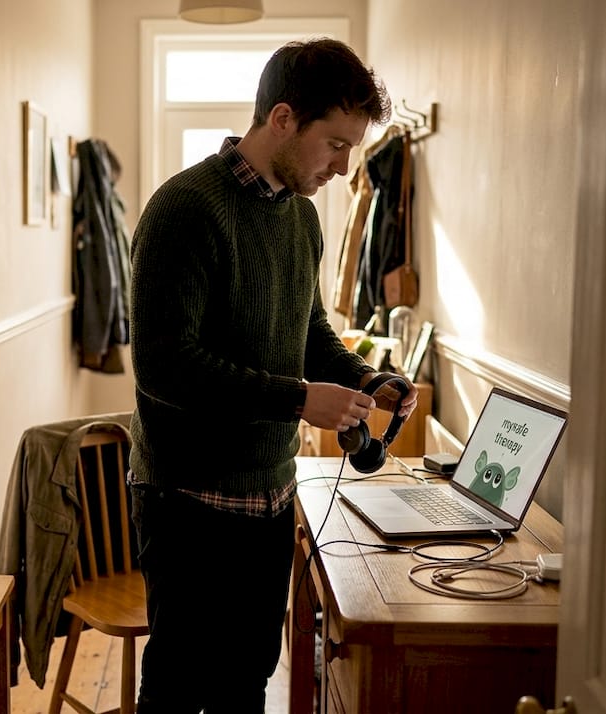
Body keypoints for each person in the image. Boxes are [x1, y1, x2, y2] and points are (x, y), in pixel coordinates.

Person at [126, 37, 418, 712]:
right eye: (336, 144)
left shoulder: (302, 219)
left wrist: (366, 379)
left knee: (249, 676)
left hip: (269, 495)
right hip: (187, 497)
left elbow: (307, 329)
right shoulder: (184, 210)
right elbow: (165, 368)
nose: (344, 169)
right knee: (179, 678)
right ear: (283, 119)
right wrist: (296, 400)